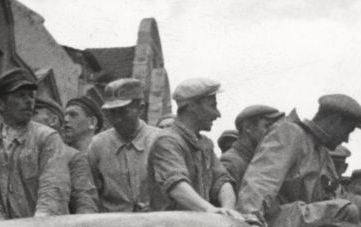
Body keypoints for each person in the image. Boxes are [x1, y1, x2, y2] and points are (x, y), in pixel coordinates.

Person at [237, 93, 361, 220]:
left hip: (300, 224)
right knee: (346, 210)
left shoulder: (323, 154)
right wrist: (251, 218)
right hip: (275, 222)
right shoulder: (290, 133)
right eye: (348, 131)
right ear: (334, 121)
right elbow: (262, 179)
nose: (346, 139)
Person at [0, 68, 70, 221]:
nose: (29, 101)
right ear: (1, 104)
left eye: (31, 96)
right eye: (20, 96)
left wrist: (37, 225)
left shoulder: (47, 137)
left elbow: (53, 189)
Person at [147, 77, 239, 215]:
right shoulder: (167, 141)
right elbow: (176, 186)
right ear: (192, 106)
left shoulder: (205, 144)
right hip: (168, 226)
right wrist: (210, 210)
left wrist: (228, 210)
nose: (217, 114)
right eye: (212, 106)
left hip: (196, 223)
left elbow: (222, 180)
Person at [87, 78, 161, 213]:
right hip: (112, 222)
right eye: (111, 112)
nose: (116, 119)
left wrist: (157, 206)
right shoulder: (98, 145)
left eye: (123, 112)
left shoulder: (160, 141)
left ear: (140, 109)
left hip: (156, 220)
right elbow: (90, 192)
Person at [33, 97, 99, 214]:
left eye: (33, 114)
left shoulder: (74, 157)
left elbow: (85, 202)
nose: (66, 120)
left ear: (53, 120)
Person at [220, 104, 283, 191]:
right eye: (267, 126)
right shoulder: (231, 164)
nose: (273, 133)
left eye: (275, 128)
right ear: (248, 127)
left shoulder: (262, 160)